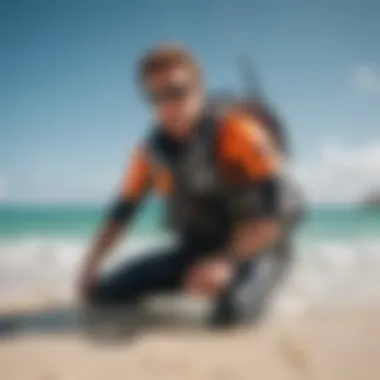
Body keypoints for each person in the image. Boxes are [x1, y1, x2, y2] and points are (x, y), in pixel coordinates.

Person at [79, 44, 301, 328]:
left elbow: (279, 211)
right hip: (198, 250)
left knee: (232, 314)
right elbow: (121, 214)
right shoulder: (150, 153)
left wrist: (227, 261)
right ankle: (196, 282)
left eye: (177, 92)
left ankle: (270, 276)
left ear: (199, 89)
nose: (167, 105)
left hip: (258, 246)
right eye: (155, 96)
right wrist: (90, 266)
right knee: (104, 295)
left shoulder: (239, 133)